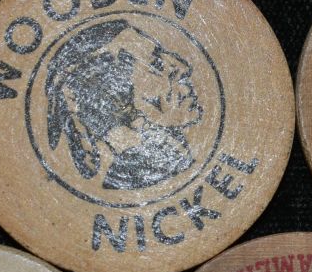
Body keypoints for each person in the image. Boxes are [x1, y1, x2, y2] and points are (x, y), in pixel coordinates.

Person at [44, 18, 204, 191]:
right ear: (113, 95)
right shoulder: (142, 170)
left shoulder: (172, 150)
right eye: (156, 64)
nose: (182, 67)